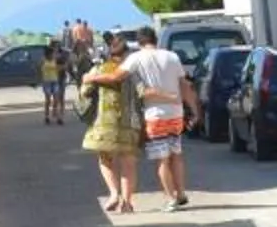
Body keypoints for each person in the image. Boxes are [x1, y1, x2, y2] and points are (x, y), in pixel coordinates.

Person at [124, 26, 195, 211]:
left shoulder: (135, 58)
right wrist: (194, 109)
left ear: (139, 42)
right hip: (176, 113)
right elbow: (184, 85)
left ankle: (170, 198)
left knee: (162, 159)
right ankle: (181, 193)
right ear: (155, 39)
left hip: (155, 115)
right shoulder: (172, 56)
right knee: (177, 156)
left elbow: (120, 75)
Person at [78, 34, 140, 213]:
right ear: (126, 53)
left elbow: (85, 92)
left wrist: (89, 80)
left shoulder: (99, 69)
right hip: (130, 121)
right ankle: (127, 202)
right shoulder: (132, 71)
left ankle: (114, 194)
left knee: (105, 159)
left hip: (104, 123)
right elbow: (142, 93)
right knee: (128, 163)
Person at [39, 37, 69, 125]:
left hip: (55, 81)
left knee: (56, 99)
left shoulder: (55, 59)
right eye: (52, 52)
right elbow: (38, 68)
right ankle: (46, 117)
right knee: (48, 100)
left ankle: (58, 117)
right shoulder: (43, 60)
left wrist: (65, 65)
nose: (53, 54)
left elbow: (59, 68)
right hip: (46, 82)